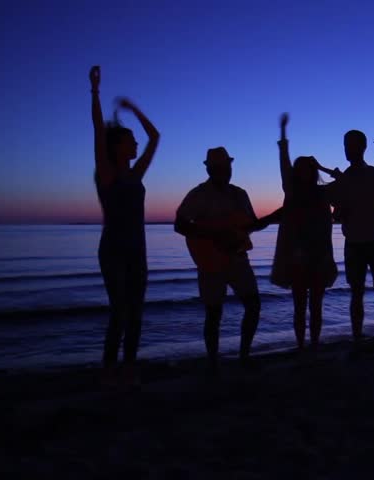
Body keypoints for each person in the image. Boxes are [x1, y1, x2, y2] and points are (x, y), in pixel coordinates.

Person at [89, 66, 160, 386]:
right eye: (130, 140)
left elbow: (155, 137)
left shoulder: (135, 174)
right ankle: (108, 369)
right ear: (117, 147)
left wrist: (135, 110)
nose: (135, 144)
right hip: (114, 250)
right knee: (120, 312)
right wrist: (95, 91)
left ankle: (129, 368)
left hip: (137, 251)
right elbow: (96, 130)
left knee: (136, 313)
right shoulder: (107, 173)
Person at [174, 147, 261, 372]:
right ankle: (213, 361)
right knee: (213, 313)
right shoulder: (198, 194)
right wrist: (213, 236)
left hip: (239, 258)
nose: (226, 170)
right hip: (210, 262)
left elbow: (249, 224)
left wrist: (255, 226)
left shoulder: (240, 194)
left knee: (253, 305)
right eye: (221, 167)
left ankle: (244, 355)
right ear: (211, 169)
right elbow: (180, 224)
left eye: (228, 166)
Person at [255, 113, 337, 351]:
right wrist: (282, 133)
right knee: (300, 306)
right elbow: (283, 160)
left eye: (307, 168)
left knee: (317, 306)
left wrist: (321, 165)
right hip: (297, 257)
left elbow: (342, 182)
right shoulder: (291, 191)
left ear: (312, 171)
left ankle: (314, 344)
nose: (302, 171)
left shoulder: (324, 193)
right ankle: (302, 346)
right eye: (299, 168)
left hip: (320, 256)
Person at [325, 128, 374, 359]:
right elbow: (336, 214)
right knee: (356, 293)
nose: (349, 149)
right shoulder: (344, 179)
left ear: (363, 147)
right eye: (346, 144)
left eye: (353, 145)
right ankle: (358, 336)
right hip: (354, 244)